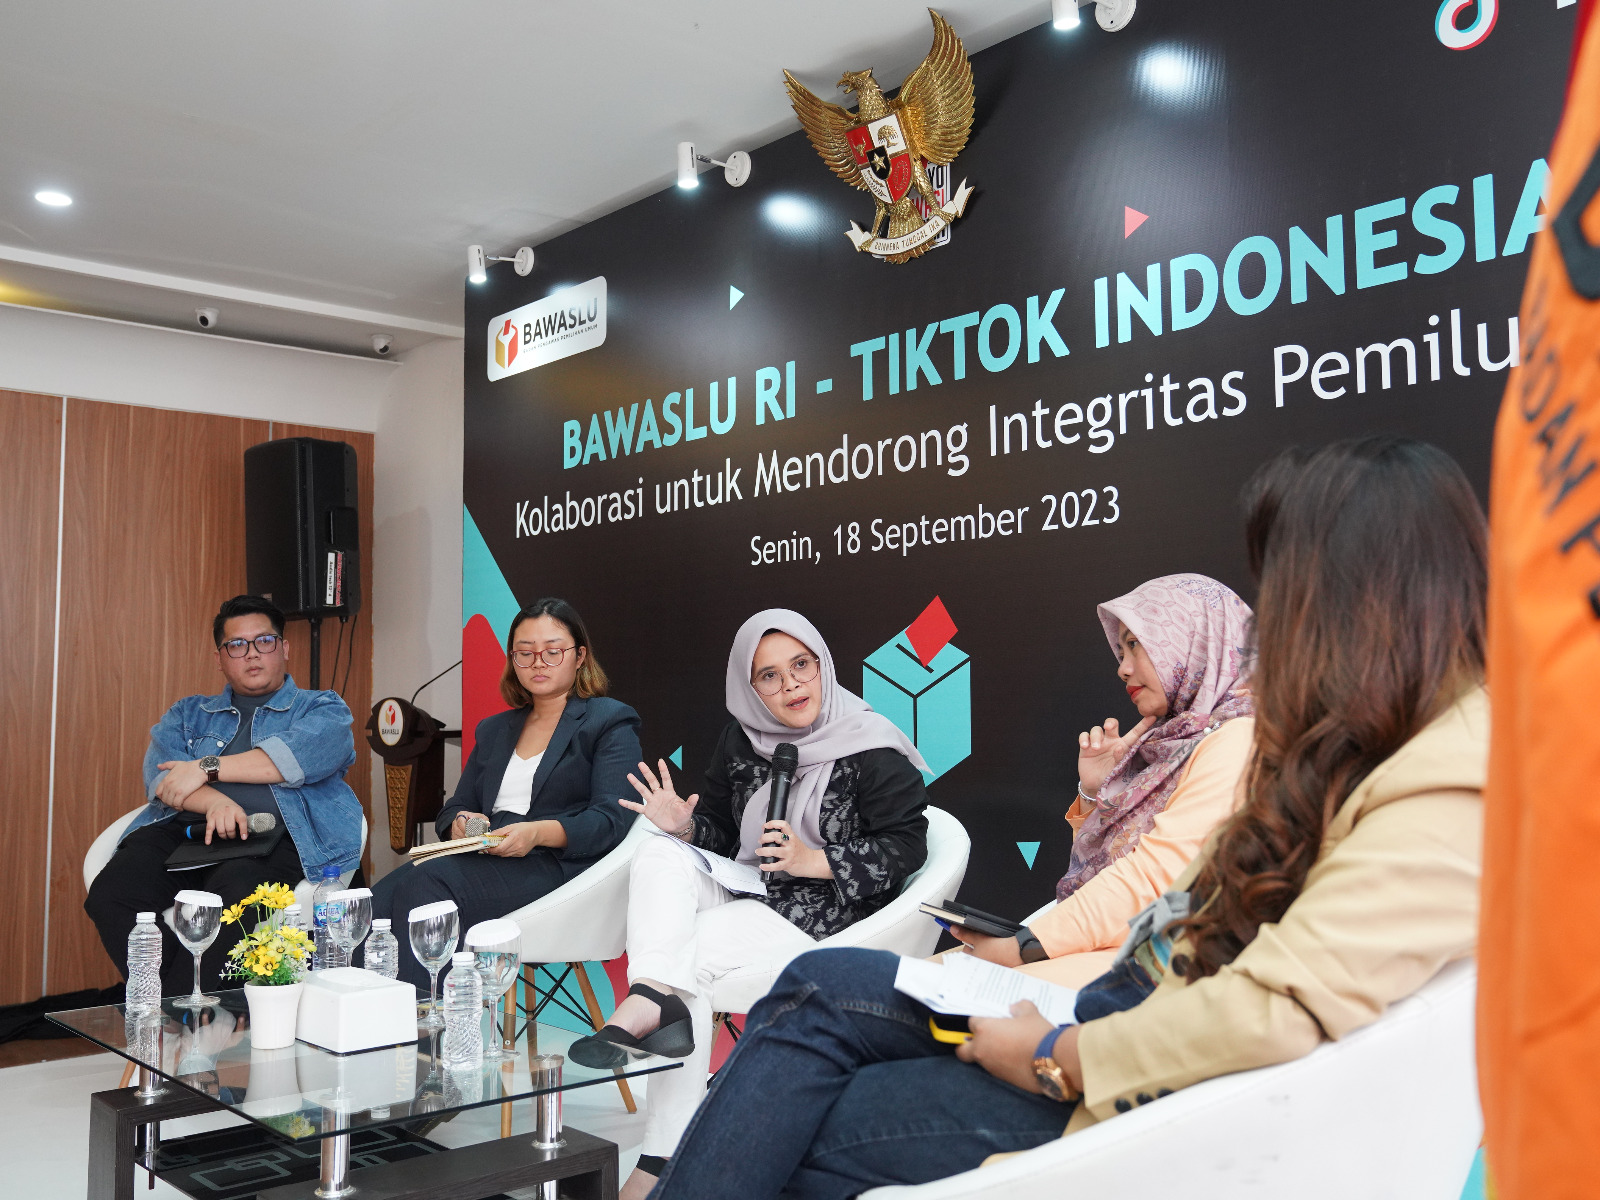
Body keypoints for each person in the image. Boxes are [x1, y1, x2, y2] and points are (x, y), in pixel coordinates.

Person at [647, 436, 1489, 1200]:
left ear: (1362, 601)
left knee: (793, 1112)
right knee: (815, 991)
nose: (1265, 632)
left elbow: (1265, 1000)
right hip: (1115, 1007)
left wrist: (1056, 1052)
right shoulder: (1335, 749)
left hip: (1136, 1079)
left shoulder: (1444, 777)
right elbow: (1177, 896)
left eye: (1286, 596)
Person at [570, 609, 930, 1200]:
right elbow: (719, 829)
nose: (791, 685)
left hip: (829, 910)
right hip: (754, 882)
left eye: (801, 665)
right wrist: (685, 826)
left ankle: (659, 1160)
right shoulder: (742, 739)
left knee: (688, 959)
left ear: (822, 665)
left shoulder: (871, 744)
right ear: (749, 686)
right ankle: (651, 995)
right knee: (658, 852)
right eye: (769, 675)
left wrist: (813, 860)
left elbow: (907, 845)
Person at [954, 574, 1254, 988]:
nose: (1123, 668)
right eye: (1121, 649)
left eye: (1136, 644)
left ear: (1195, 642)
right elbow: (1109, 868)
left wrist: (1024, 946)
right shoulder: (1174, 741)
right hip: (1115, 946)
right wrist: (1097, 793)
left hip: (1157, 967)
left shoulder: (1238, 740)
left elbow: (1154, 880)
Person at [85, 595, 363, 994]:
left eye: (264, 641)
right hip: (187, 831)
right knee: (112, 893)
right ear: (220, 658)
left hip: (275, 838)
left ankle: (175, 1012)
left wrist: (205, 767)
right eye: (236, 645)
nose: (252, 653)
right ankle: (182, 1005)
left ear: (284, 648)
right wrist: (215, 801)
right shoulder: (188, 714)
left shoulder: (321, 708)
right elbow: (162, 781)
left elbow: (289, 761)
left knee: (236, 897)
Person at [370, 598, 639, 990]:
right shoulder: (495, 729)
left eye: (552, 652)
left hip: (556, 865)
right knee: (375, 903)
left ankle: (423, 1021)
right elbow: (456, 806)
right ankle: (368, 1016)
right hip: (486, 856)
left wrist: (536, 833)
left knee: (426, 886)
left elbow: (611, 820)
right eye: (525, 653)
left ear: (579, 656)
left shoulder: (609, 720)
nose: (538, 663)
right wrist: (461, 823)